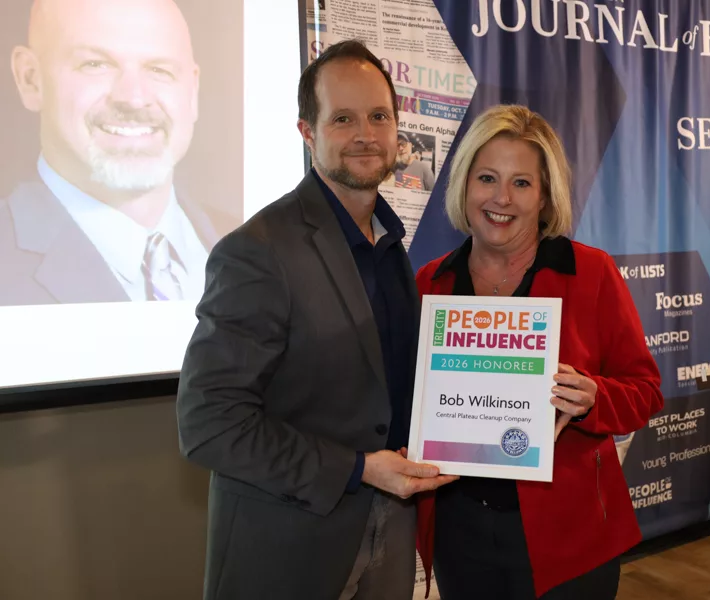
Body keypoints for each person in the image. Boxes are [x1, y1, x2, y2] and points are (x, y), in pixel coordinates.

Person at [176, 39, 456, 600]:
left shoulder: (390, 243)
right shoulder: (257, 250)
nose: (365, 135)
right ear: (308, 132)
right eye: (343, 118)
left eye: (379, 116)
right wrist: (357, 469)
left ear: (398, 127)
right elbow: (209, 424)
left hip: (391, 527)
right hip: (290, 542)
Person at [414, 104, 664, 599]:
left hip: (569, 535)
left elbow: (645, 392)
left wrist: (594, 398)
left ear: (546, 197)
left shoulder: (591, 273)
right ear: (464, 184)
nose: (501, 198)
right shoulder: (430, 283)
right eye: (487, 177)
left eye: (522, 183)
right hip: (460, 530)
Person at [0, 0, 234, 307]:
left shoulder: (249, 244)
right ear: (30, 79)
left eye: (158, 69)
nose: (134, 98)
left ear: (192, 91)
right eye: (95, 64)